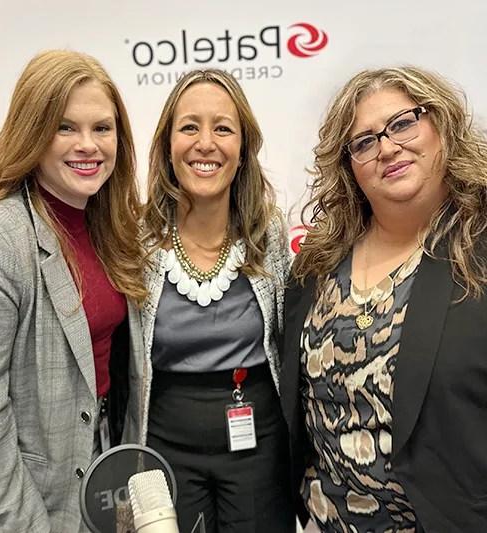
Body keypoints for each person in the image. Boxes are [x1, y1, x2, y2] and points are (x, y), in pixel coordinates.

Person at [280, 65, 487, 533]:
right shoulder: (318, 262)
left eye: (402, 123)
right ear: (348, 164)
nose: (388, 148)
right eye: (365, 141)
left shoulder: (479, 249)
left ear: (441, 125)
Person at [0, 50, 146, 532]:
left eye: (102, 128)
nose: (88, 145)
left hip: (102, 470)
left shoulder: (114, 227)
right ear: (33, 133)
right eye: (65, 127)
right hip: (22, 501)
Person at [130, 69, 295, 533]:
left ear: (243, 150)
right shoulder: (135, 240)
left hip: (259, 446)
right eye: (189, 127)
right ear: (167, 145)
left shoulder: (270, 234)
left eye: (223, 128)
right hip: (164, 449)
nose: (206, 143)